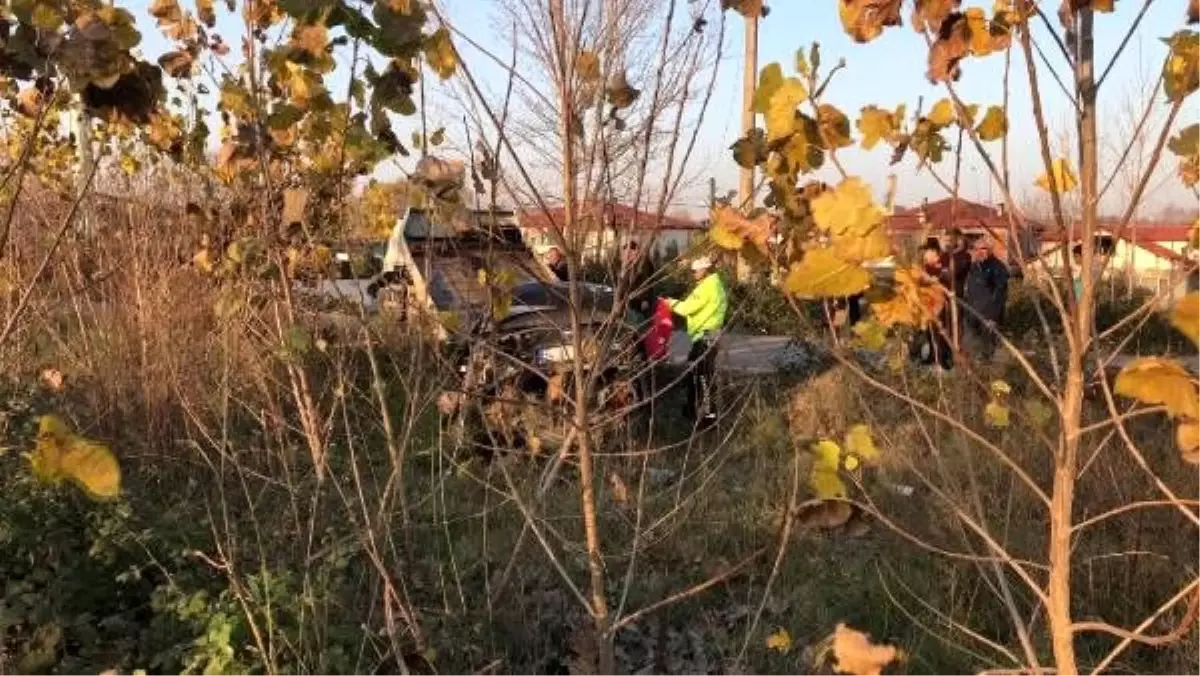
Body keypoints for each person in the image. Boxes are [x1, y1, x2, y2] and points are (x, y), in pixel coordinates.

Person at [666, 256, 727, 425]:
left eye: (694, 271)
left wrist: (669, 303)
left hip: (705, 336)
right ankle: (691, 410)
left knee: (703, 377)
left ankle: (708, 417)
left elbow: (686, 308)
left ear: (704, 270)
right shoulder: (714, 285)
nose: (693, 274)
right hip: (706, 335)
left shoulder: (707, 287)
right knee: (695, 374)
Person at [963, 237, 1010, 361]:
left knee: (987, 349)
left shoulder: (998, 268)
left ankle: (987, 370)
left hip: (988, 316)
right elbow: (970, 290)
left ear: (990, 250)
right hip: (972, 313)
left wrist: (993, 317)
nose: (979, 251)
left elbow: (1000, 294)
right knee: (972, 345)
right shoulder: (974, 267)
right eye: (976, 249)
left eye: (983, 248)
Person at [622, 240, 655, 324]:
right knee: (631, 326)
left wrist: (645, 299)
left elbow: (647, 281)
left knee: (638, 325)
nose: (627, 255)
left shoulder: (644, 264)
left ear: (636, 251)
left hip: (640, 302)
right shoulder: (629, 265)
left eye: (629, 253)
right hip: (630, 301)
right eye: (625, 253)